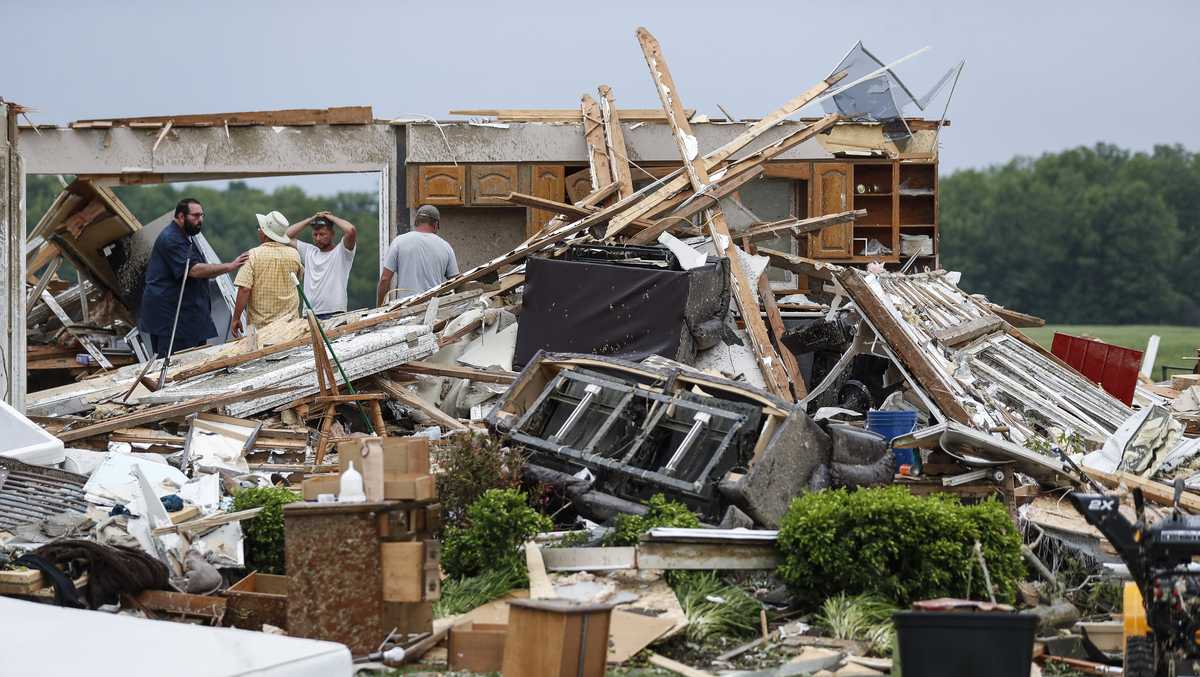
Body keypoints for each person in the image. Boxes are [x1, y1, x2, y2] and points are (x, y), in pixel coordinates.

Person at [139, 198, 248, 356]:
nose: (200, 220)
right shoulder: (171, 238)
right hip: (173, 319)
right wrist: (229, 266)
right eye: (195, 216)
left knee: (196, 360)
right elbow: (194, 270)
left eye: (202, 215)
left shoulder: (186, 236)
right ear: (181, 216)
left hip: (189, 316)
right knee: (177, 365)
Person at [231, 210, 304, 337]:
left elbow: (244, 289)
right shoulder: (294, 255)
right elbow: (298, 279)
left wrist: (236, 318)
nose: (259, 230)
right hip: (291, 328)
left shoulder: (252, 255)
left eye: (260, 228)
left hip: (261, 330)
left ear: (264, 233)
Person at [377, 204, 458, 306]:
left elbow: (385, 279)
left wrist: (379, 307)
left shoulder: (399, 242)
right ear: (436, 224)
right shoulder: (446, 247)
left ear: (416, 222)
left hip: (404, 310)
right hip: (432, 312)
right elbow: (456, 282)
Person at [285, 211, 357, 320]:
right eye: (315, 234)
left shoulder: (341, 252)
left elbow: (351, 231)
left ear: (332, 234)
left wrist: (330, 218)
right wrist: (311, 219)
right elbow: (284, 236)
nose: (318, 238)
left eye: (322, 234)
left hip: (335, 313)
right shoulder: (309, 251)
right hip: (309, 314)